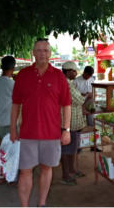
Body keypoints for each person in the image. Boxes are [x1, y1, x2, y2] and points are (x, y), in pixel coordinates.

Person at [10, 38, 71, 207]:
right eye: (39, 50)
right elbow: (15, 104)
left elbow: (66, 105)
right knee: (25, 171)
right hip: (27, 133)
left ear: (50, 53)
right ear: (33, 53)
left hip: (51, 134)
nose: (42, 53)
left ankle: (42, 203)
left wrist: (66, 129)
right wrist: (13, 128)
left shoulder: (58, 76)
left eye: (45, 50)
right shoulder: (23, 75)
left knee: (46, 168)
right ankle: (24, 205)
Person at [61, 61, 88, 185]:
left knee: (73, 149)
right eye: (74, 71)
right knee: (67, 150)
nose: (76, 73)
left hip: (74, 122)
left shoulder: (69, 83)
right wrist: (88, 96)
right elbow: (79, 100)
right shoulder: (66, 84)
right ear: (67, 72)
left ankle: (72, 170)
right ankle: (66, 175)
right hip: (69, 123)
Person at [0, 56, 16, 154]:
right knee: (10, 146)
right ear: (13, 68)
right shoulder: (12, 84)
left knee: (1, 143)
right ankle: (6, 167)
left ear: (2, 67)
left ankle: (0, 164)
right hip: (8, 121)